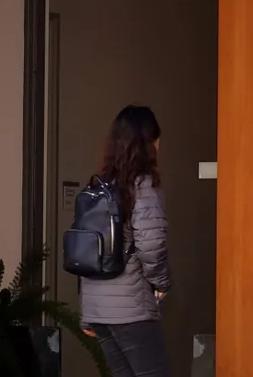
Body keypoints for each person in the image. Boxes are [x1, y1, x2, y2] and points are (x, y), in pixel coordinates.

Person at [80, 105, 172, 377]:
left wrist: (88, 312)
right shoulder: (143, 187)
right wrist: (161, 282)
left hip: (100, 312)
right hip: (130, 310)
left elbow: (88, 252)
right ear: (148, 143)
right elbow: (151, 244)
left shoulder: (97, 187)